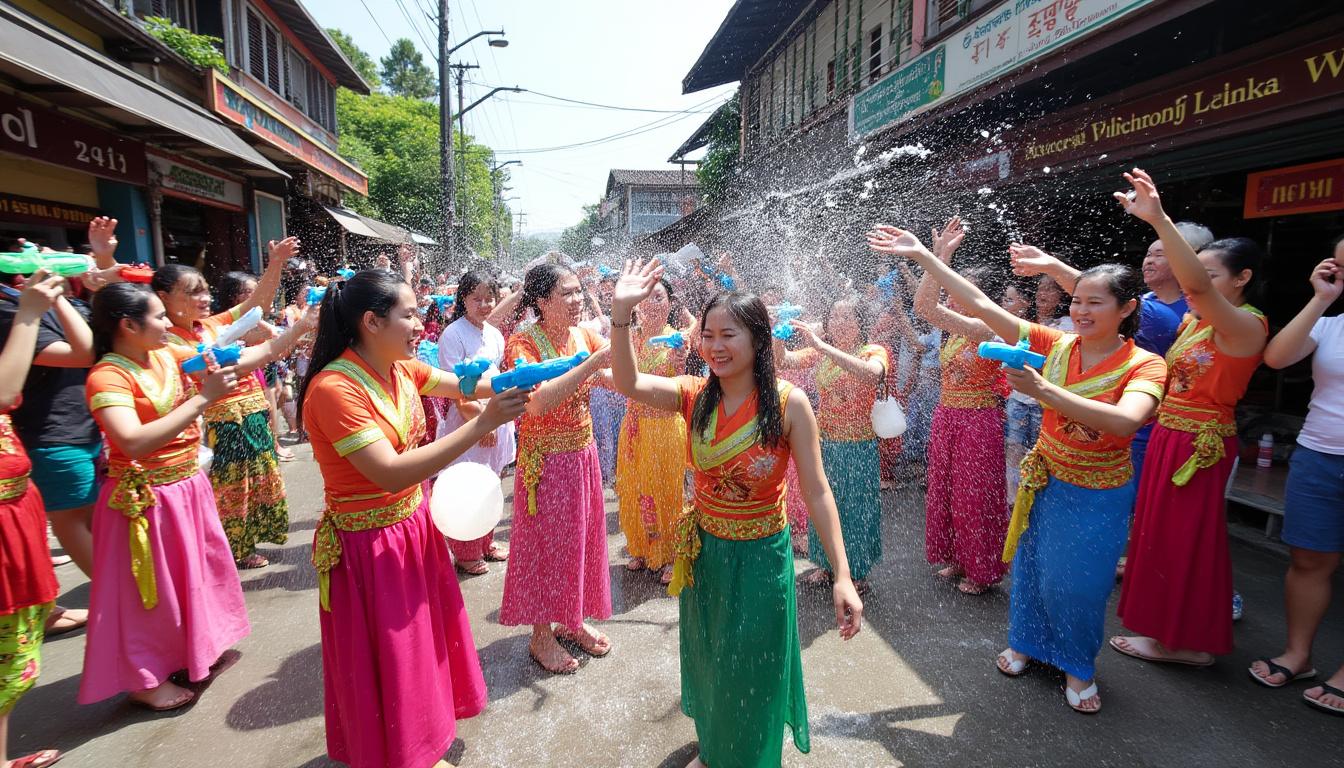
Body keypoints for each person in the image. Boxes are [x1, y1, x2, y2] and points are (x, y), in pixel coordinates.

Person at [868, 223, 1166, 714]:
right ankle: (1027, 642)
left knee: (1081, 582)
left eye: (1095, 302)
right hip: (1043, 478)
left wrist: (1044, 391)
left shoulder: (1146, 366)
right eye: (1077, 300)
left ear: (1127, 308)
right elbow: (981, 305)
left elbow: (1126, 420)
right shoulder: (1058, 344)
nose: (1081, 310)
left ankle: (1077, 665)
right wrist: (925, 255)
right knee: (1031, 568)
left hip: (1097, 490)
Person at [609, 259, 863, 768]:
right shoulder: (693, 395)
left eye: (729, 335)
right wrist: (620, 315)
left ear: (759, 340)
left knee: (752, 670)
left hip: (762, 560)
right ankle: (715, 749)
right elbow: (628, 382)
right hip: (706, 556)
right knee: (711, 662)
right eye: (708, 335)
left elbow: (817, 491)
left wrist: (842, 574)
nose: (715, 346)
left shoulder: (789, 405)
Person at [298, 270, 527, 768]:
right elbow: (390, 472)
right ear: (372, 322)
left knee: (420, 645)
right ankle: (404, 755)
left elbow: (474, 384)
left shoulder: (401, 367)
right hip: (368, 546)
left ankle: (420, 742)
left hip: (412, 527)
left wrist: (532, 377)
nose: (422, 323)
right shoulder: (334, 389)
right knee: (393, 654)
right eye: (410, 314)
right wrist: (483, 423)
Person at [79, 281, 301, 709]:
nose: (167, 323)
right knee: (150, 594)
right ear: (128, 325)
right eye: (158, 316)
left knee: (194, 577)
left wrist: (298, 330)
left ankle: (192, 653)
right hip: (145, 501)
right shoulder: (107, 375)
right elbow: (133, 441)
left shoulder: (167, 354)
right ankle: (145, 680)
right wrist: (202, 399)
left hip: (186, 487)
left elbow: (243, 359)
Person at [1107, 170, 1268, 668]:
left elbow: (1192, 285)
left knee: (1185, 541)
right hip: (1168, 435)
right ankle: (1168, 632)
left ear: (1241, 279)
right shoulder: (1194, 323)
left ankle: (1185, 642)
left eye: (1211, 276)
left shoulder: (1247, 325)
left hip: (1199, 445)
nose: (1199, 284)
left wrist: (1159, 220)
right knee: (1158, 536)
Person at [152, 239, 303, 568]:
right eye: (192, 292)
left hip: (249, 414)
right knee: (230, 486)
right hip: (217, 425)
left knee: (253, 479)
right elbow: (236, 362)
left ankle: (238, 545)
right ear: (163, 297)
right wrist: (292, 334)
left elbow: (256, 304)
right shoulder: (167, 341)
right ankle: (231, 549)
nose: (204, 298)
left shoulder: (209, 325)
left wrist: (275, 263)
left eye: (205, 290)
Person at [499, 264, 614, 675]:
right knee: (545, 548)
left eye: (579, 290)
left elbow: (612, 374)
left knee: (582, 541)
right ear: (542, 301)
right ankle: (541, 635)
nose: (577, 299)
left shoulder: (583, 334)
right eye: (567, 293)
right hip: (545, 463)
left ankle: (572, 619)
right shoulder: (522, 343)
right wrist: (591, 366)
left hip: (583, 454)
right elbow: (538, 402)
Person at [1250, 235, 1344, 715]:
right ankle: (1298, 654)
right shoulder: (1329, 323)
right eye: (1340, 266)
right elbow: (1277, 357)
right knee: (1309, 560)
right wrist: (1321, 298)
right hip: (1319, 454)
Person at [912, 217, 1009, 595]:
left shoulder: (987, 329)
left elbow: (927, 308)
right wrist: (939, 257)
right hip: (947, 416)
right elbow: (924, 305)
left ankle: (981, 568)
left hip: (978, 422)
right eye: (952, 287)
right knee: (947, 490)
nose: (952, 295)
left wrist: (937, 260)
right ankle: (957, 556)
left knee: (974, 496)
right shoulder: (953, 332)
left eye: (960, 289)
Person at [0, 271, 71, 768]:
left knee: (13, 649)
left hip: (16, 513)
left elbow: (82, 348)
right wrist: (27, 313)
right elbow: (5, 394)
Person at [776, 296, 888, 594]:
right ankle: (827, 564)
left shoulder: (873, 351)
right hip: (824, 444)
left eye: (847, 317)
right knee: (822, 504)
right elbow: (782, 361)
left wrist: (822, 346)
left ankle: (857, 571)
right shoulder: (820, 353)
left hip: (858, 446)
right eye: (835, 317)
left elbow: (872, 374)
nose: (840, 323)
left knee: (855, 508)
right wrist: (777, 335)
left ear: (861, 323)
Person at [435, 269, 515, 575]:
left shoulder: (494, 334)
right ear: (463, 300)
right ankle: (465, 551)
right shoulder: (453, 334)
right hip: (470, 422)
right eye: (476, 298)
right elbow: (457, 390)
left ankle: (485, 541)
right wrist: (484, 423)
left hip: (495, 417)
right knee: (468, 485)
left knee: (492, 482)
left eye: (489, 298)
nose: (484, 304)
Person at [615, 278, 689, 584]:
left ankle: (671, 554)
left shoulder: (676, 340)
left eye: (659, 298)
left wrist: (680, 359)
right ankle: (642, 547)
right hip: (634, 427)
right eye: (646, 298)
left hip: (665, 428)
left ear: (670, 303)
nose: (652, 305)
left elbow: (680, 380)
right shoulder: (629, 338)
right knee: (634, 488)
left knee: (667, 492)